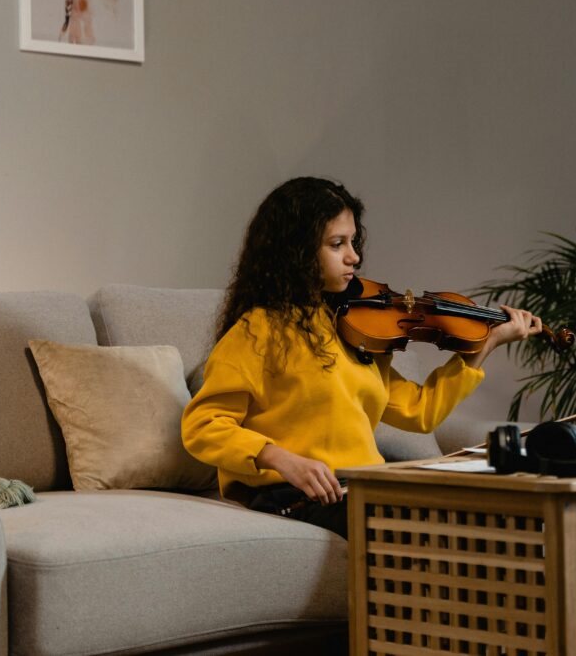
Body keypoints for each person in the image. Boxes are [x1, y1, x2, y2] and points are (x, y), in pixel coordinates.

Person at [181, 177, 542, 539]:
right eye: (337, 244)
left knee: (499, 516)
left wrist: (486, 344)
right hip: (293, 492)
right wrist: (279, 458)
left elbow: (420, 412)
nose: (354, 256)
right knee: (427, 529)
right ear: (297, 250)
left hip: (362, 485)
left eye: (353, 241)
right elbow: (203, 424)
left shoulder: (356, 328)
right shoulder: (258, 330)